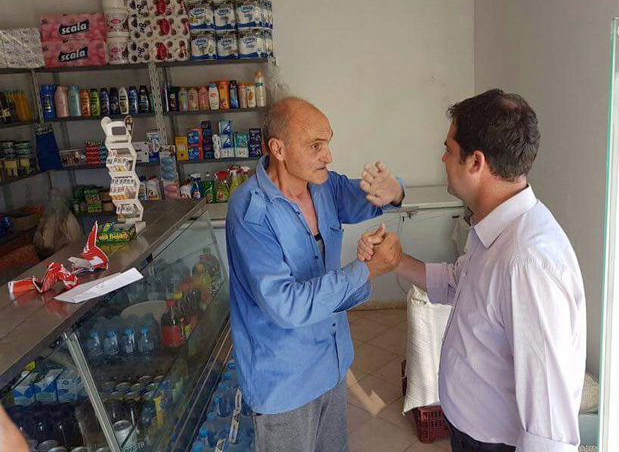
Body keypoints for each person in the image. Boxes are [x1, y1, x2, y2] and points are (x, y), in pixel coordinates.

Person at [359, 90, 586, 452]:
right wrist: (398, 260)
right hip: (469, 430)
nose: (443, 158)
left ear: (476, 162)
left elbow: (549, 427)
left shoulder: (527, 263)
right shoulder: (495, 228)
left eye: (449, 149)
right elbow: (457, 283)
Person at [226, 96, 404, 452]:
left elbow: (373, 196)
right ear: (278, 148)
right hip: (285, 382)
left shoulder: (324, 186)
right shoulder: (251, 211)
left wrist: (394, 190)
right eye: (315, 146)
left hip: (332, 364)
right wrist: (366, 269)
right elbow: (286, 306)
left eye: (328, 143)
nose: (329, 156)